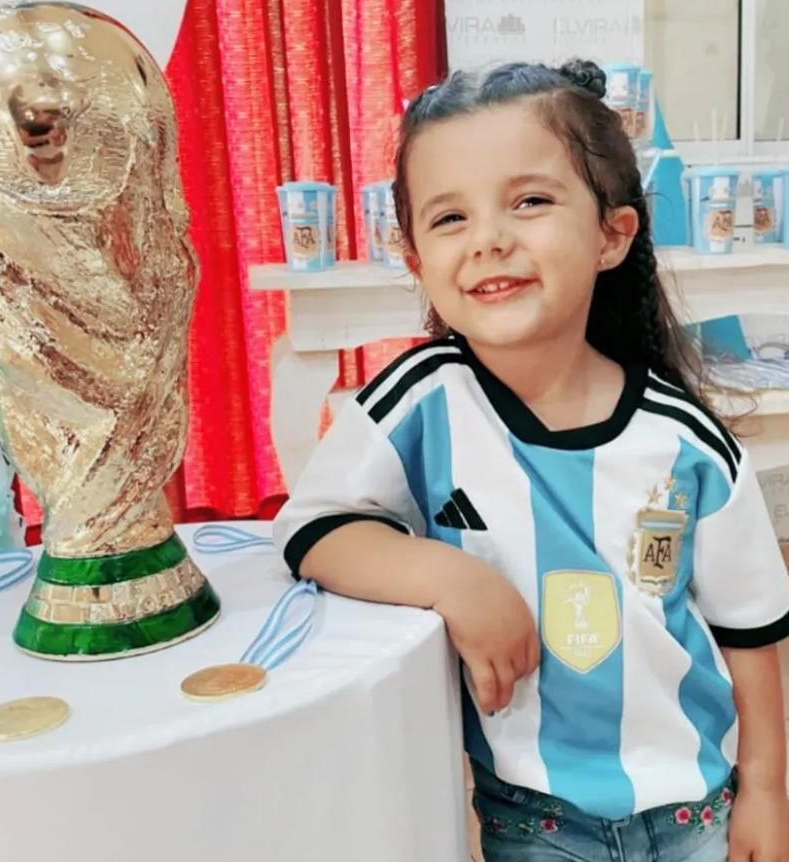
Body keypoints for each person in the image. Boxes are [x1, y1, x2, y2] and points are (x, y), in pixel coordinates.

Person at [272, 59, 789, 862]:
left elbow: (748, 630)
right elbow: (312, 530)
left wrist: (765, 793)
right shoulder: (420, 402)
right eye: (450, 217)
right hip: (532, 820)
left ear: (611, 234)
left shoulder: (684, 441)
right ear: (415, 259)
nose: (488, 239)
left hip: (695, 807)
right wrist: (452, 578)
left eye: (530, 202)